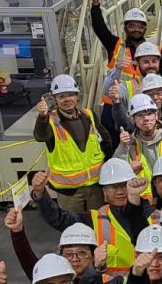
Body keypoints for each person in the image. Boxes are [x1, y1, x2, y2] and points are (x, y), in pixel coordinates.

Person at [33, 75, 112, 213]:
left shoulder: (89, 115)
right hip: (69, 192)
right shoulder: (50, 121)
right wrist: (42, 117)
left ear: (77, 96)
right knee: (73, 226)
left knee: (98, 224)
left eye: (71, 95)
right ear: (55, 99)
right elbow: (40, 136)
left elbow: (106, 142)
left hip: (95, 186)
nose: (67, 99)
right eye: (62, 96)